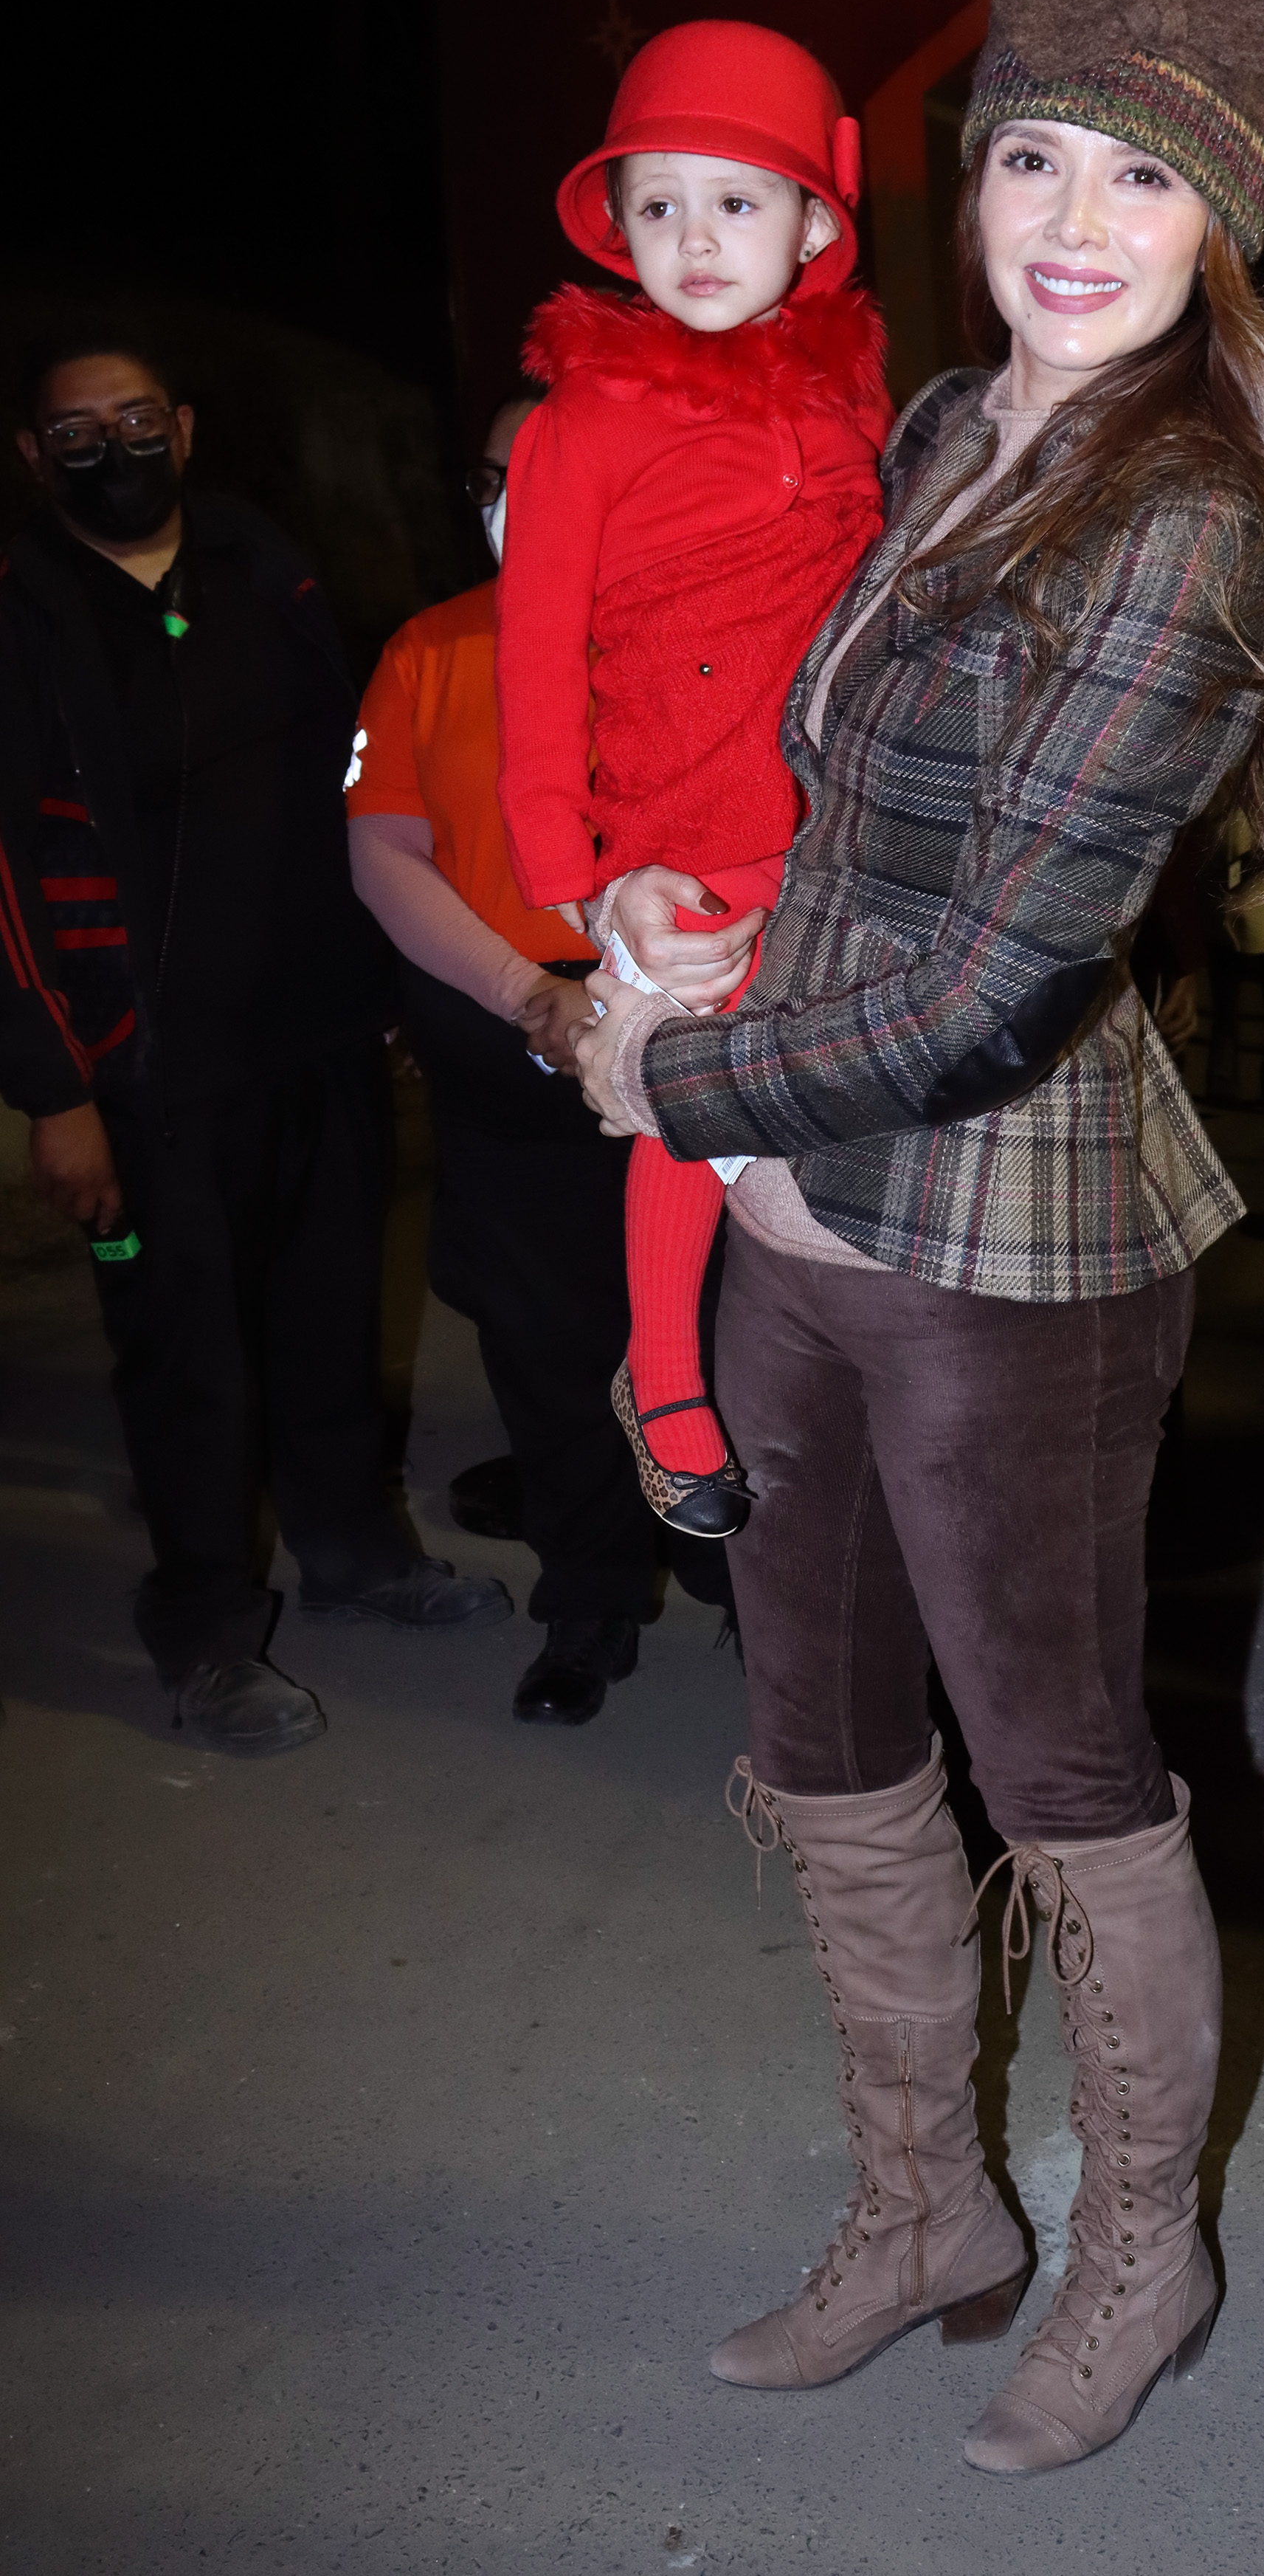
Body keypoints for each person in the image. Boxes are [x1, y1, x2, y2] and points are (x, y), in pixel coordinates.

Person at [570, 0, 1264, 2473]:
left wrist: (674, 1072)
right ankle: (925, 2198)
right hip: (800, 1206)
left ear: (1217, 218)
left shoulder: (1187, 523)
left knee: (1059, 1758)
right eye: (1031, 150)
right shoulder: (945, 428)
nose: (1068, 211)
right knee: (819, 1729)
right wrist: (656, 912)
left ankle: (1143, 2240)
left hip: (1004, 1238)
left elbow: (1003, 973)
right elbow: (848, 828)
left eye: (1137, 172)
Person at [0, 334, 508, 1757]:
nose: (115, 448)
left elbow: (343, 787)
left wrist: (388, 978)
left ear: (187, 426)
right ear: (34, 460)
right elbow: (3, 882)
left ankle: (354, 1552)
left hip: (314, 1034)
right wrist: (56, 1091)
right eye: (77, 431)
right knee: (187, 1364)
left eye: (138, 419)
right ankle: (210, 1632)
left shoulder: (259, 566)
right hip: (145, 1078)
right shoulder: (24, 618)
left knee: (329, 1318)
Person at [494, 23, 892, 1536]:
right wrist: (584, 882)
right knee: (683, 1094)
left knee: (820, 1118)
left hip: (837, 820)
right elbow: (533, 659)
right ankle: (660, 1368)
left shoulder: (854, 403)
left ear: (812, 227)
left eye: (738, 202)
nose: (695, 238)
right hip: (676, 835)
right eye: (659, 206)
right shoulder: (579, 421)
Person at [348, 394, 724, 1726]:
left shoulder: (711, 632)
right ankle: (591, 1601)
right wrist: (529, 996)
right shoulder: (432, 649)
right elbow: (383, 854)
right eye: (496, 474)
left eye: (554, 470)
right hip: (507, 1051)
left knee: (731, 1335)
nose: (521, 497)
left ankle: (749, 1586)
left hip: (697, 1057)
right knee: (549, 1348)